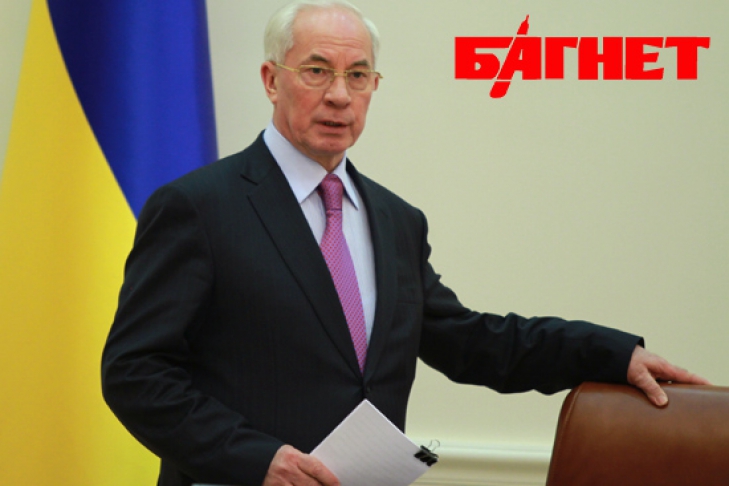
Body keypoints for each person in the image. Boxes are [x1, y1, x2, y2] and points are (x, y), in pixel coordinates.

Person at [101, 1, 709, 485]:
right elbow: (134, 372)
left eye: (358, 75)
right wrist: (256, 459)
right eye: (317, 71)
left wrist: (610, 355)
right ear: (271, 80)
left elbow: (472, 343)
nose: (339, 95)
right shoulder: (199, 207)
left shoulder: (395, 220)